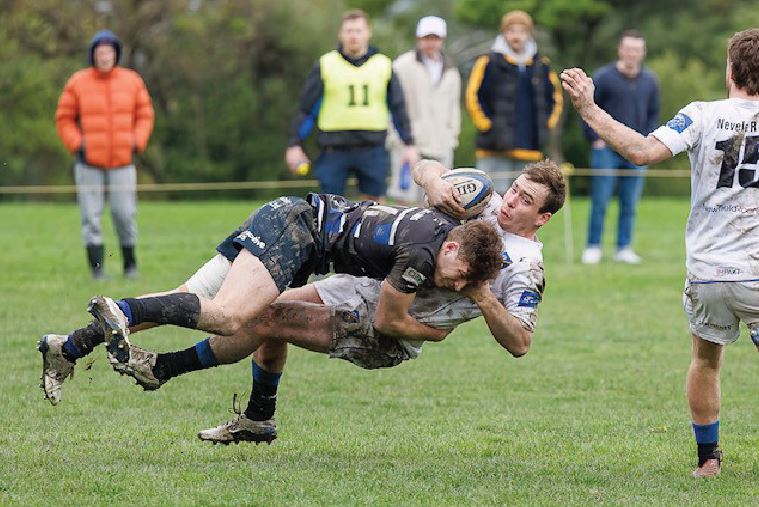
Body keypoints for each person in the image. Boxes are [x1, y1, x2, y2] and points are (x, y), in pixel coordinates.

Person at [40, 161, 564, 447]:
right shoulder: (485, 203)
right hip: (356, 281)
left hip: (383, 324)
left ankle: (165, 368)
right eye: (515, 190)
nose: (510, 202)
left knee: (258, 315)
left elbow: (520, 341)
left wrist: (479, 297)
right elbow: (428, 168)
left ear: (542, 219)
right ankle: (256, 419)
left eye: (525, 202)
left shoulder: (524, 268)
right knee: (255, 308)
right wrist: (432, 182)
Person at [561, 28, 759, 478]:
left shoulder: (702, 114)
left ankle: (708, 460)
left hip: (709, 272)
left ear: (730, 70)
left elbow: (642, 151)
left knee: (705, 361)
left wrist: (588, 108)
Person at [285, 9, 418, 200]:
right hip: (334, 148)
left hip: (372, 147)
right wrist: (295, 144)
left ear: (368, 33)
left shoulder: (383, 65)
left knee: (375, 206)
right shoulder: (326, 64)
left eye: (358, 31)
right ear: (340, 34)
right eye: (349, 31)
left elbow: (398, 108)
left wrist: (409, 144)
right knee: (328, 205)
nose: (353, 36)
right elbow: (306, 110)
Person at [55, 30, 154, 280]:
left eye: (109, 52)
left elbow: (145, 114)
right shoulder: (78, 82)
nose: (105, 56)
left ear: (116, 54)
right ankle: (97, 271)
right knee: (91, 218)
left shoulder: (132, 81)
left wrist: (137, 141)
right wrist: (77, 144)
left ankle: (130, 267)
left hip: (123, 162)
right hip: (88, 164)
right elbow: (64, 118)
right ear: (93, 55)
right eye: (100, 52)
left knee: (125, 215)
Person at [580, 30, 660, 265]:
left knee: (630, 202)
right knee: (600, 200)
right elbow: (587, 108)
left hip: (638, 150)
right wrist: (594, 138)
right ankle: (593, 247)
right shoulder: (604, 77)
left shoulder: (650, 81)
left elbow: (653, 114)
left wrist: (648, 141)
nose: (632, 54)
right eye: (628, 49)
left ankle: (623, 248)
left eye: (637, 50)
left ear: (643, 52)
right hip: (606, 150)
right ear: (620, 50)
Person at [465, 10, 562, 193]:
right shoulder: (487, 62)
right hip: (494, 147)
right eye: (511, 30)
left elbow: (555, 98)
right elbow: (472, 96)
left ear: (529, 34)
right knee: (490, 199)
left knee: (525, 199)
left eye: (521, 31)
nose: (516, 36)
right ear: (503, 33)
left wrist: (546, 125)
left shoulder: (542, 65)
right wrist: (486, 125)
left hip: (530, 147)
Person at [386, 16, 461, 205]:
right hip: (408, 144)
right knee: (403, 199)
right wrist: (397, 138)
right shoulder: (402, 65)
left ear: (442, 39)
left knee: (438, 200)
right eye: (427, 38)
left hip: (441, 144)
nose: (431, 43)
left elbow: (453, 106)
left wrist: (451, 136)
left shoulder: (451, 70)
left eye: (435, 38)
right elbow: (392, 103)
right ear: (419, 38)